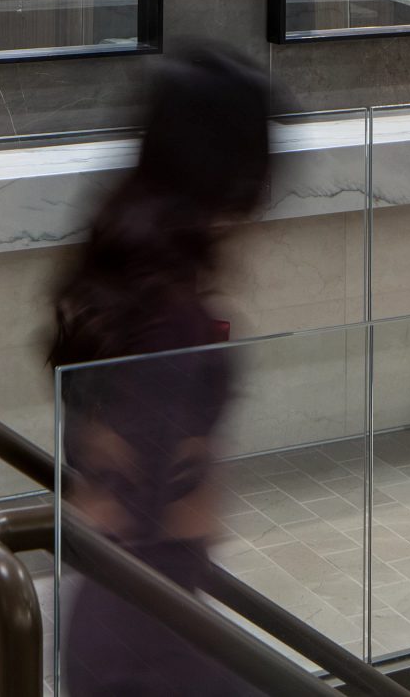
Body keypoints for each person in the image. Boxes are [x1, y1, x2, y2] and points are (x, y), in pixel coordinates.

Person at [49, 45, 273, 697]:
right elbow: (144, 492)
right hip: (149, 624)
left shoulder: (125, 263)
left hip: (126, 608)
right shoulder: (169, 311)